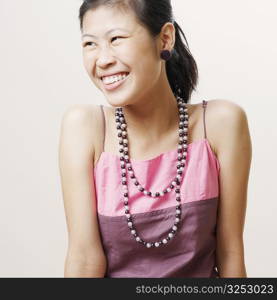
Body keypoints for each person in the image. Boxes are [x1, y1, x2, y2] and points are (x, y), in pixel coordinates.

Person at [58, 0, 252, 278]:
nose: (102, 60)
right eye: (90, 44)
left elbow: (231, 254)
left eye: (116, 39)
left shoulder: (221, 124)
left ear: (165, 38)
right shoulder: (85, 128)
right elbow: (84, 259)